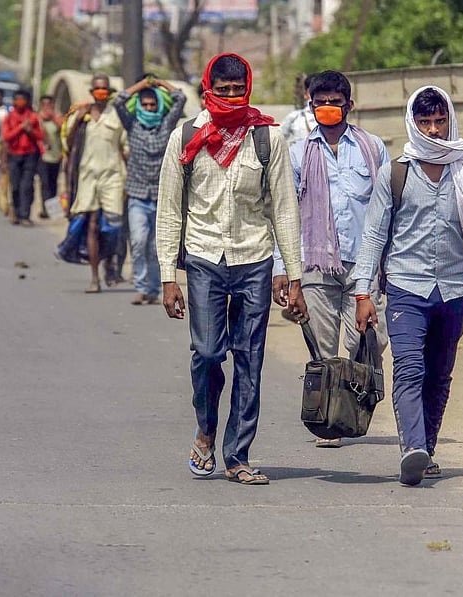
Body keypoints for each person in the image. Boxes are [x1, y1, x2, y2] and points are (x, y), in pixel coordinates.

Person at [354, 86, 463, 486]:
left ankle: (426, 448)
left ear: (449, 121)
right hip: (405, 288)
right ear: (413, 123)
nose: (433, 129)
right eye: (425, 121)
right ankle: (412, 447)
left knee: (439, 375)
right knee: (409, 367)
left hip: (453, 291)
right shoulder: (396, 173)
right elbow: (373, 234)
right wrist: (363, 292)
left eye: (440, 121)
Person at [156, 53, 307, 485]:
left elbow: (284, 208)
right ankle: (206, 429)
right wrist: (168, 276)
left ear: (248, 89)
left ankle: (237, 454)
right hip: (204, 257)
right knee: (207, 353)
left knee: (249, 359)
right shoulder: (186, 136)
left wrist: (292, 274)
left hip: (254, 258)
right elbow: (169, 209)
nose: (230, 98)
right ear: (209, 89)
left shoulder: (267, 138)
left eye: (238, 91)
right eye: (222, 91)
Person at [274, 70, 389, 448]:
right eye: (319, 103)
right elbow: (285, 214)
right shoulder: (297, 153)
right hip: (315, 265)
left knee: (368, 341)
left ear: (348, 105)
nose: (327, 108)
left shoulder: (372, 148)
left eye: (334, 102)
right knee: (323, 348)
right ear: (310, 106)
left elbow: (387, 207)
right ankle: (331, 421)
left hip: (364, 264)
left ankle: (353, 399)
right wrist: (282, 268)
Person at [113, 74, 187, 305]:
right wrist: (142, 85)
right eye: (144, 105)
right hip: (137, 196)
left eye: (152, 104)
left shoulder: (166, 125)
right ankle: (142, 286)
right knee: (137, 241)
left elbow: (180, 98)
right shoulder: (132, 124)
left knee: (157, 248)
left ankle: (154, 288)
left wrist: (161, 83)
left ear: (158, 106)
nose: (148, 108)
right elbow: (118, 101)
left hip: (161, 197)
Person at [63, 74, 128, 292]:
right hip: (87, 177)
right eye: (97, 89)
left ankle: (109, 261)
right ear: (92, 92)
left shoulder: (117, 115)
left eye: (104, 89)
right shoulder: (82, 114)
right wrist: (79, 119)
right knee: (91, 224)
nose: (101, 93)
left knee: (113, 225)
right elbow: (69, 143)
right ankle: (94, 278)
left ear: (109, 92)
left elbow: (125, 148)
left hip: (113, 177)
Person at [1, 89, 43, 227]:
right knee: (15, 186)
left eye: (22, 99)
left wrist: (30, 130)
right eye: (17, 99)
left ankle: (25, 215)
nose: (20, 102)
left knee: (26, 186)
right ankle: (16, 211)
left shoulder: (33, 117)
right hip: (14, 155)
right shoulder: (9, 118)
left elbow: (40, 136)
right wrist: (20, 128)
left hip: (30, 155)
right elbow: (6, 136)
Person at [36, 95, 63, 219]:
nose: (47, 107)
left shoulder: (57, 117)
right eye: (44, 104)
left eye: (49, 104)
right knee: (45, 183)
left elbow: (63, 130)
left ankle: (52, 209)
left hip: (56, 155)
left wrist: (53, 118)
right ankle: (45, 209)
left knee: (53, 183)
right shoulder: (38, 119)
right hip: (43, 155)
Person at [279, 74, 318, 146]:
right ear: (305, 94)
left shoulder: (333, 118)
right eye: (312, 92)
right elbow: (279, 139)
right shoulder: (294, 117)